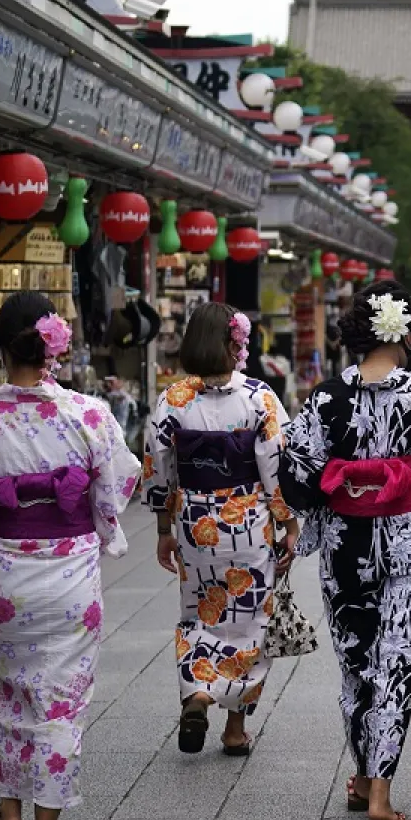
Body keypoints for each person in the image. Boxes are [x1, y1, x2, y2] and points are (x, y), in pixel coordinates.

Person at [0, 292, 140, 820]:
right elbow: (119, 481)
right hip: (70, 575)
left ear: (0, 347)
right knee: (62, 700)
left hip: (4, 575)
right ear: (53, 348)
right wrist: (93, 521)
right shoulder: (88, 414)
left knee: (9, 691)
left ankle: (7, 815)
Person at [278, 280, 411, 820]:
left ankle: (364, 776)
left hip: (344, 543)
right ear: (406, 334)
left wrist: (339, 485)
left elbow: (298, 477)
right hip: (407, 540)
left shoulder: (325, 397)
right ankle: (379, 792)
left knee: (356, 659)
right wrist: (403, 473)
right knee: (398, 657)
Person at [144, 303, 299, 757]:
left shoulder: (173, 400)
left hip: (196, 522)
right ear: (235, 344)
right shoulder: (258, 397)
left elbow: (158, 468)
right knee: (250, 621)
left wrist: (162, 526)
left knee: (199, 612)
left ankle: (198, 692)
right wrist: (288, 522)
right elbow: (276, 467)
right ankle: (234, 729)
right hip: (247, 519)